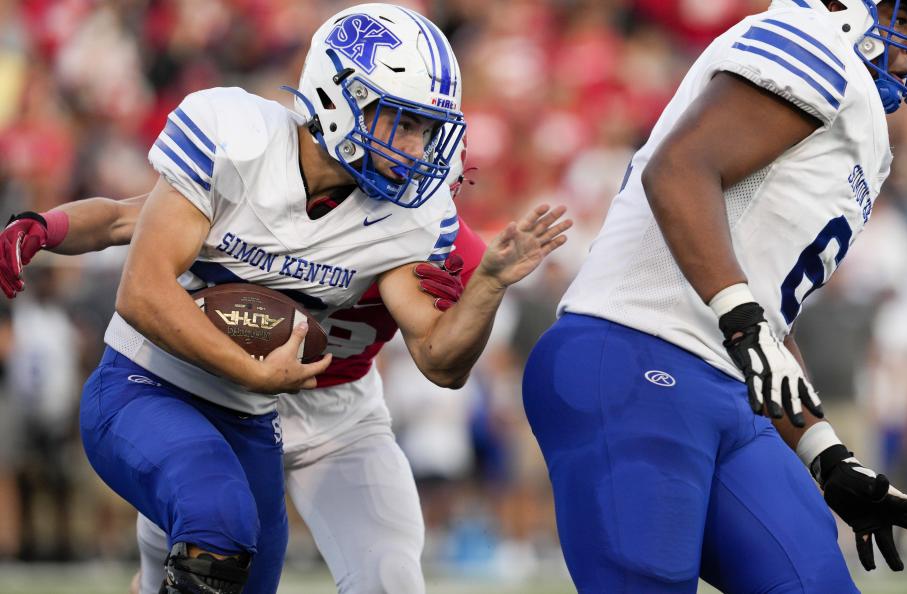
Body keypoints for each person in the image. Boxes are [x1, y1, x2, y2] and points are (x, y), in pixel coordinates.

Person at [2, 4, 571, 594]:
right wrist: (43, 227)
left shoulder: (411, 218)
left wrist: (490, 284)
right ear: (338, 97)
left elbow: (439, 359)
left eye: (426, 128)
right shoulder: (237, 141)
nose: (419, 146)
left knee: (377, 577)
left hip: (314, 407)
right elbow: (134, 258)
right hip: (172, 379)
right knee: (213, 532)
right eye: (403, 122)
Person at [522, 1, 907, 593]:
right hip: (634, 353)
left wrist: (828, 456)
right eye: (904, 19)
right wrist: (745, 323)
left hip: (727, 389)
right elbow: (679, 169)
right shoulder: (812, 41)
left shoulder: (863, 126)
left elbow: (763, 305)